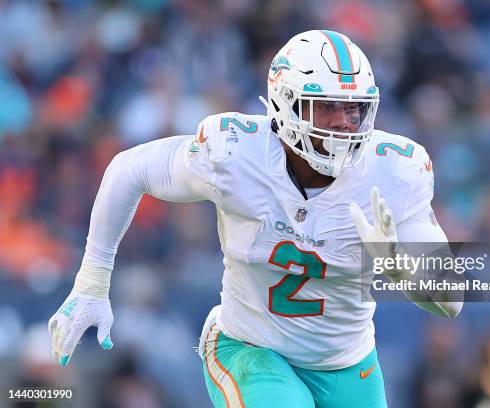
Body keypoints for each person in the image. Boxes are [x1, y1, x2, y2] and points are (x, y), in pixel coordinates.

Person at [48, 30, 462, 407]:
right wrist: (92, 282)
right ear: (286, 105)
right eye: (327, 107)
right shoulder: (235, 151)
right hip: (249, 347)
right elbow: (129, 169)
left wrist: (401, 268)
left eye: (354, 109)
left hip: (347, 362)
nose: (344, 123)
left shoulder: (394, 172)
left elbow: (451, 301)